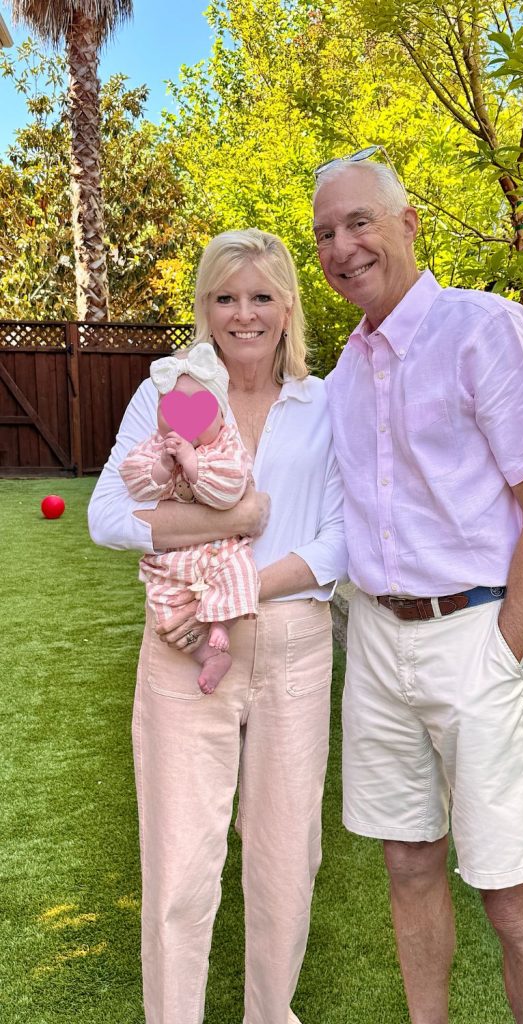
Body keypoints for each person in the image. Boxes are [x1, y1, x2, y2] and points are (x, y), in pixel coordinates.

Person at [313, 151, 523, 1024]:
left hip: (474, 635)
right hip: (376, 641)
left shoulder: (484, 329)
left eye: (358, 222)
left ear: (407, 222)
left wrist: (503, 652)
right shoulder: (344, 373)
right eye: (324, 233)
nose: (342, 246)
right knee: (407, 864)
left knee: (513, 894)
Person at [88, 228, 347, 1024]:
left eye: (261, 296)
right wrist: (232, 520)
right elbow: (108, 515)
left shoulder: (323, 403)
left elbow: (338, 537)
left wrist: (228, 591)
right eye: (225, 297)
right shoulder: (170, 391)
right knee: (178, 865)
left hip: (292, 646)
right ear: (204, 307)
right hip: (183, 652)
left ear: (287, 306)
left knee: (286, 859)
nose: (243, 314)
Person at [119, 342, 259, 694]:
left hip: (221, 550)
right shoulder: (154, 446)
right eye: (171, 406)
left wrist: (193, 465)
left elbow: (229, 491)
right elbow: (134, 481)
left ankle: (223, 622)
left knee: (240, 574)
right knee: (163, 606)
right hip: (173, 559)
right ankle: (209, 655)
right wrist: (162, 467)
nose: (184, 420)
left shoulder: (227, 445)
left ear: (222, 416)